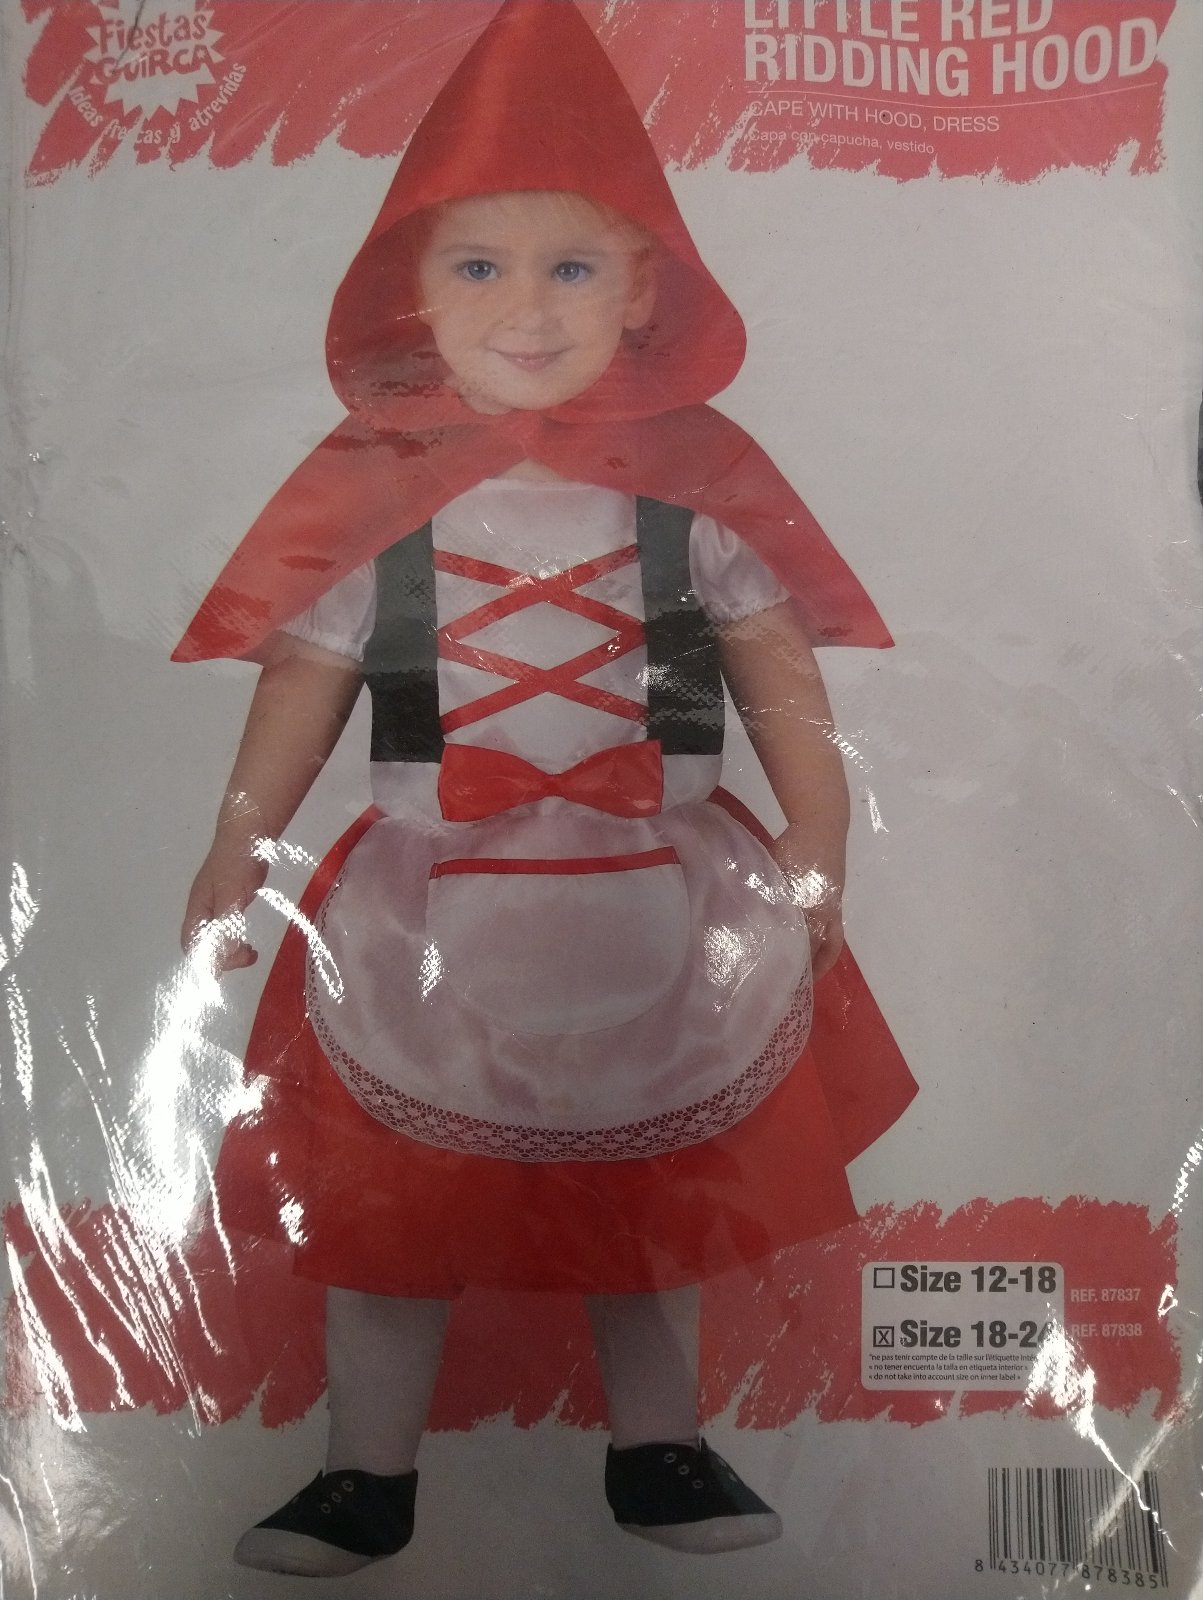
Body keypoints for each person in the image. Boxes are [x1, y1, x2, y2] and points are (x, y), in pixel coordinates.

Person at [175, 0, 916, 1577]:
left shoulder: (698, 484)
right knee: (387, 1216)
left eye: (573, 267)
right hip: (417, 907)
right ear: (412, 288)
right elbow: (302, 679)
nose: (526, 307)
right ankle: (363, 1473)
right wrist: (236, 850)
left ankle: (661, 1449)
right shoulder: (372, 490)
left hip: (671, 887)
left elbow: (779, 669)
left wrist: (820, 839)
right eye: (479, 267)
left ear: (643, 287)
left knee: (653, 1203)